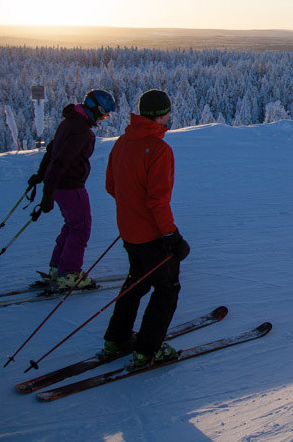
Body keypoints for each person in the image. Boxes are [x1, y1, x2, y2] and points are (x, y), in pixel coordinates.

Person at [102, 89, 190, 370]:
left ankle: (117, 338)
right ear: (162, 115)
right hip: (152, 234)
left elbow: (111, 187)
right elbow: (158, 201)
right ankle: (147, 350)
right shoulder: (159, 149)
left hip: (128, 231)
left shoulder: (123, 142)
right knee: (167, 288)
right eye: (168, 113)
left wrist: (132, 211)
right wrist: (172, 236)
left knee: (137, 281)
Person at [29, 88, 116, 290]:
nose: (105, 118)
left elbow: (52, 151)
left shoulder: (70, 122)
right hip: (70, 186)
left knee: (72, 225)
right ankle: (68, 273)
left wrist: (41, 177)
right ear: (96, 109)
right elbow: (60, 160)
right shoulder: (81, 131)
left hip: (62, 185)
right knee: (81, 226)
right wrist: (46, 191)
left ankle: (58, 267)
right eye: (104, 113)